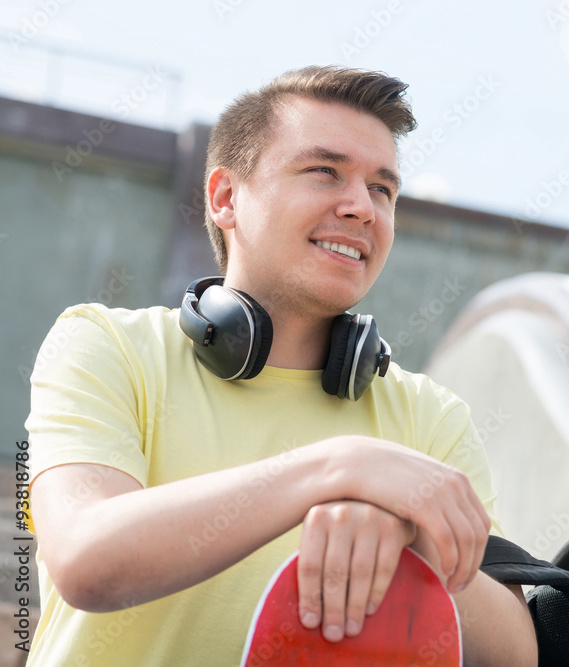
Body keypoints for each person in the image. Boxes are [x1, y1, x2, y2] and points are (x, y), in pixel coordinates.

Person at [25, 66, 538, 666]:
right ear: (224, 198)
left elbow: (515, 656)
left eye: (382, 189)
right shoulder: (106, 344)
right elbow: (88, 561)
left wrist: (415, 534)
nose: (361, 208)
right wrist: (339, 467)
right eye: (325, 172)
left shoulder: (432, 418)